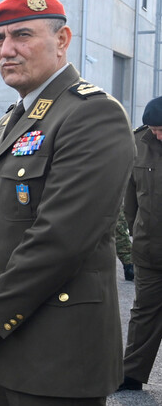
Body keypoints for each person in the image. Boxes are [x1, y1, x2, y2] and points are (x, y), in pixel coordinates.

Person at [0, 0, 135, 405]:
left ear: (62, 40)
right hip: (4, 343)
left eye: (22, 35)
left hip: (60, 351)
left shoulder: (91, 113)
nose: (7, 50)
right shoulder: (12, 120)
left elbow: (62, 237)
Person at [118, 96, 162, 392]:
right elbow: (130, 200)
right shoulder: (138, 143)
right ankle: (131, 374)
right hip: (150, 249)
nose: (157, 134)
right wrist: (140, 231)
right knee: (144, 312)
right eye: (154, 129)